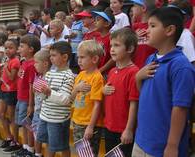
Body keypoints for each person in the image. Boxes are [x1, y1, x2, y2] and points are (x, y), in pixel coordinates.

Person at [133, 7, 195, 157]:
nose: (147, 30)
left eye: (152, 26)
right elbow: (147, 94)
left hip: (162, 146)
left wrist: (172, 146)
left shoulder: (181, 67)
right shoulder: (151, 59)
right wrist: (138, 77)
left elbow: (180, 108)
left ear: (169, 30)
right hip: (141, 140)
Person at [103, 28, 139, 157]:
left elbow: (134, 103)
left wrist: (129, 129)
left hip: (123, 130)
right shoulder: (112, 71)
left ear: (129, 49)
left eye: (117, 45)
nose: (112, 49)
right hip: (109, 126)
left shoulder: (133, 72)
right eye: (111, 45)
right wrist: (103, 90)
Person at [37, 41, 75, 157]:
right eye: (50, 55)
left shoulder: (69, 76)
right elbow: (42, 96)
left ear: (64, 57)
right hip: (45, 115)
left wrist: (49, 92)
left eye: (54, 55)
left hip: (58, 119)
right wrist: (40, 92)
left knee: (62, 146)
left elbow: (65, 99)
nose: (51, 58)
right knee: (49, 142)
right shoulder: (49, 73)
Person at [70, 40, 104, 157]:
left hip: (88, 124)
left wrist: (90, 126)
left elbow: (97, 104)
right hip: (77, 121)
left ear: (94, 59)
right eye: (78, 57)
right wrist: (77, 88)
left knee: (89, 154)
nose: (78, 60)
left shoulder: (97, 78)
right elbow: (72, 96)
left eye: (82, 57)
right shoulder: (81, 75)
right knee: (81, 152)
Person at [14, 34, 41, 157]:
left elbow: (31, 85)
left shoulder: (32, 64)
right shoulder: (24, 62)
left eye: (21, 46)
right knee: (23, 125)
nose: (19, 48)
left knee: (28, 126)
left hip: (26, 99)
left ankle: (30, 149)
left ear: (31, 49)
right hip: (20, 97)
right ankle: (25, 147)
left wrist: (31, 104)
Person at [0, 39, 22, 153]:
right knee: (1, 114)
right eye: (6, 48)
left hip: (12, 91)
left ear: (17, 49)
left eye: (10, 47)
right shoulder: (8, 60)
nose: (7, 50)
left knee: (12, 117)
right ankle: (9, 137)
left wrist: (5, 67)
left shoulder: (15, 61)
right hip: (4, 89)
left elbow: (12, 77)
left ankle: (15, 141)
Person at [32, 49, 52, 157]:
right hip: (37, 111)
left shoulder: (49, 77)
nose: (34, 65)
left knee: (47, 137)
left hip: (45, 113)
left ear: (45, 63)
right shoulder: (39, 76)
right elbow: (35, 92)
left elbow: (46, 95)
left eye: (36, 62)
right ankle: (37, 153)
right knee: (36, 134)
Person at [131, 0, 157, 68]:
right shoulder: (135, 26)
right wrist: (133, 38)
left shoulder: (156, 27)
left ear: (143, 8)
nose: (132, 8)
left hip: (151, 69)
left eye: (134, 6)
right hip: (135, 69)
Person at [91, 8, 116, 75]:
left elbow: (113, 58)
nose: (94, 22)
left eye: (98, 20)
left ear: (107, 23)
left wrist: (101, 70)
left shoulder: (111, 38)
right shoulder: (96, 38)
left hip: (106, 73)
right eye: (95, 20)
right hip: (95, 71)